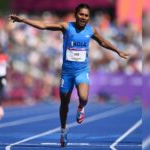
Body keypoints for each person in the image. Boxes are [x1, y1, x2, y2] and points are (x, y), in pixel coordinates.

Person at [9, 3, 129, 147]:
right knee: (64, 104)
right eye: (81, 14)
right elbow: (43, 25)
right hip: (67, 74)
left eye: (86, 15)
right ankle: (63, 130)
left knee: (84, 97)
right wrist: (23, 20)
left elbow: (103, 41)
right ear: (76, 15)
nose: (83, 17)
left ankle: (80, 107)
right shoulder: (66, 27)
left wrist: (117, 51)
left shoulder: (91, 30)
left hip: (81, 72)